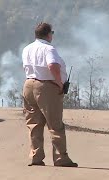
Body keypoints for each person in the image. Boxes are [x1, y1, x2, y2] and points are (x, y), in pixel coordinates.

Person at [22, 22, 77, 167]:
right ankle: (61, 158)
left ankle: (36, 156)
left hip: (29, 84)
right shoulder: (49, 48)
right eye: (52, 33)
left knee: (34, 123)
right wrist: (59, 83)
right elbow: (52, 65)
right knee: (55, 124)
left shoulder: (27, 48)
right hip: (46, 86)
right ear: (48, 34)